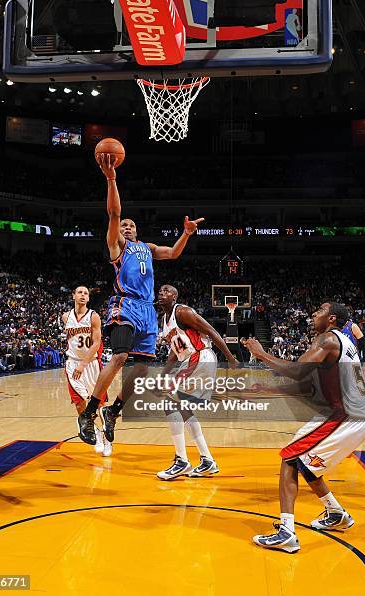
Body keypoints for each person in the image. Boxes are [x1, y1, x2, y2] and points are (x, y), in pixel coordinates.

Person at [78, 154, 204, 445]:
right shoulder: (117, 247)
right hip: (126, 305)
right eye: (124, 225)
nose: (126, 227)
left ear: (138, 231)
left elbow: (172, 253)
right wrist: (111, 179)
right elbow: (113, 214)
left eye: (131, 225)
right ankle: (89, 413)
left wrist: (185, 234)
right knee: (120, 356)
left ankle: (114, 411)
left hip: (148, 312)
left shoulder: (146, 248)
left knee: (142, 368)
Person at [241, 301, 365, 554]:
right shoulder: (346, 344)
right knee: (306, 465)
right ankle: (336, 514)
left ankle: (287, 533)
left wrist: (261, 354)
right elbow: (309, 386)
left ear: (332, 318)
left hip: (347, 416)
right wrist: (268, 389)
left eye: (320, 311)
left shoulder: (327, 340)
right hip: (352, 414)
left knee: (290, 457)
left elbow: (299, 372)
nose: (313, 314)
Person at [156, 284, 239, 480]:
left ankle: (181, 461)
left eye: (166, 291)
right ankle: (207, 460)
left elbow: (211, 331)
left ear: (175, 297)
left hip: (200, 357)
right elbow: (173, 353)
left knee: (170, 402)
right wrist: (163, 375)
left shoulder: (183, 312)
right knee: (183, 408)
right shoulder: (165, 321)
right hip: (191, 359)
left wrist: (230, 357)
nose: (161, 293)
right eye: (160, 291)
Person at [62, 286, 111, 457]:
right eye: (80, 292)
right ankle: (94, 432)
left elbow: (96, 343)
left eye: (86, 293)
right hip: (72, 364)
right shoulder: (65, 317)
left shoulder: (94, 316)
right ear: (74, 296)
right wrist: (77, 363)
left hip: (91, 365)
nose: (83, 295)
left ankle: (107, 440)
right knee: (79, 403)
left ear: (88, 298)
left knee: (100, 404)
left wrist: (83, 363)